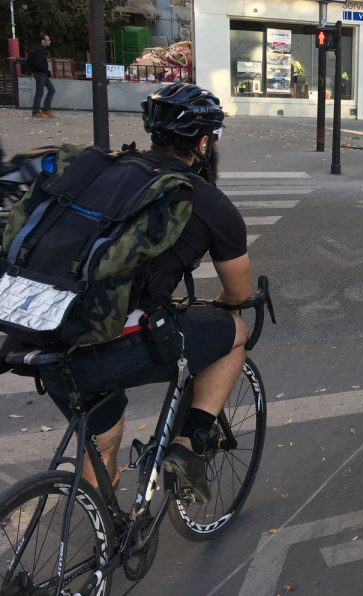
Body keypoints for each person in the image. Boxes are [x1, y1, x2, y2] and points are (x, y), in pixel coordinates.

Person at [24, 84, 251, 503]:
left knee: (103, 443)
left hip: (43, 337)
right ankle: (190, 444)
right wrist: (220, 306)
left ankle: (100, 542)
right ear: (204, 142)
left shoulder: (102, 172)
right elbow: (238, 291)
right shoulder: (208, 203)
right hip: (115, 345)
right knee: (234, 330)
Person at [27, 34, 55, 119]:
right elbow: (38, 63)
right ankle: (35, 112)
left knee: (52, 90)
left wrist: (46, 71)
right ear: (43, 41)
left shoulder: (39, 49)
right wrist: (44, 70)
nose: (49, 41)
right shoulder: (39, 50)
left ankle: (46, 109)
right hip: (40, 73)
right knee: (40, 92)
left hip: (42, 73)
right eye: (48, 40)